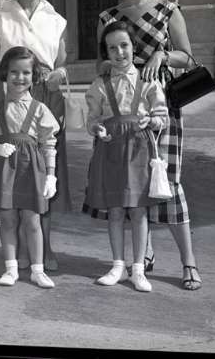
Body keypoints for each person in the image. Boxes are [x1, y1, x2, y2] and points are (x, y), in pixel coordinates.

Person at [86, 0, 202, 291]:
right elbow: (100, 64)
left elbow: (188, 57)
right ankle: (144, 256)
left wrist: (161, 56)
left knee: (168, 180)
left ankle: (188, 263)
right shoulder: (107, 17)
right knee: (132, 182)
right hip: (121, 111)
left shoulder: (168, 11)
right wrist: (115, 67)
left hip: (161, 106)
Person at [0, 0, 72, 271]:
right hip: (10, 102)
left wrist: (59, 74)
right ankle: (16, 248)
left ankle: (45, 247)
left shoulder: (56, 20)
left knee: (43, 173)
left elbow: (62, 64)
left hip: (46, 101)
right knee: (12, 174)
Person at [84, 21, 169, 292]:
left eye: (124, 45)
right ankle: (117, 266)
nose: (119, 52)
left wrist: (152, 121)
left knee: (139, 210)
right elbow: (92, 119)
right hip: (110, 151)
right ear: (106, 53)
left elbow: (162, 116)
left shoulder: (147, 81)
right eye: (112, 48)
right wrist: (96, 128)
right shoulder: (99, 85)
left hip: (138, 151)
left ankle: (138, 269)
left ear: (134, 47)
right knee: (116, 210)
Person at [0, 47, 60, 288]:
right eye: (14, 71)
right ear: (5, 73)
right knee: (8, 220)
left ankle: (37, 270)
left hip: (32, 171)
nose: (20, 77)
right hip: (4, 171)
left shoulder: (40, 110)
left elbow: (49, 145)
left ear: (34, 76)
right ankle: (11, 268)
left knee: (33, 220)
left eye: (26, 72)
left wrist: (51, 176)